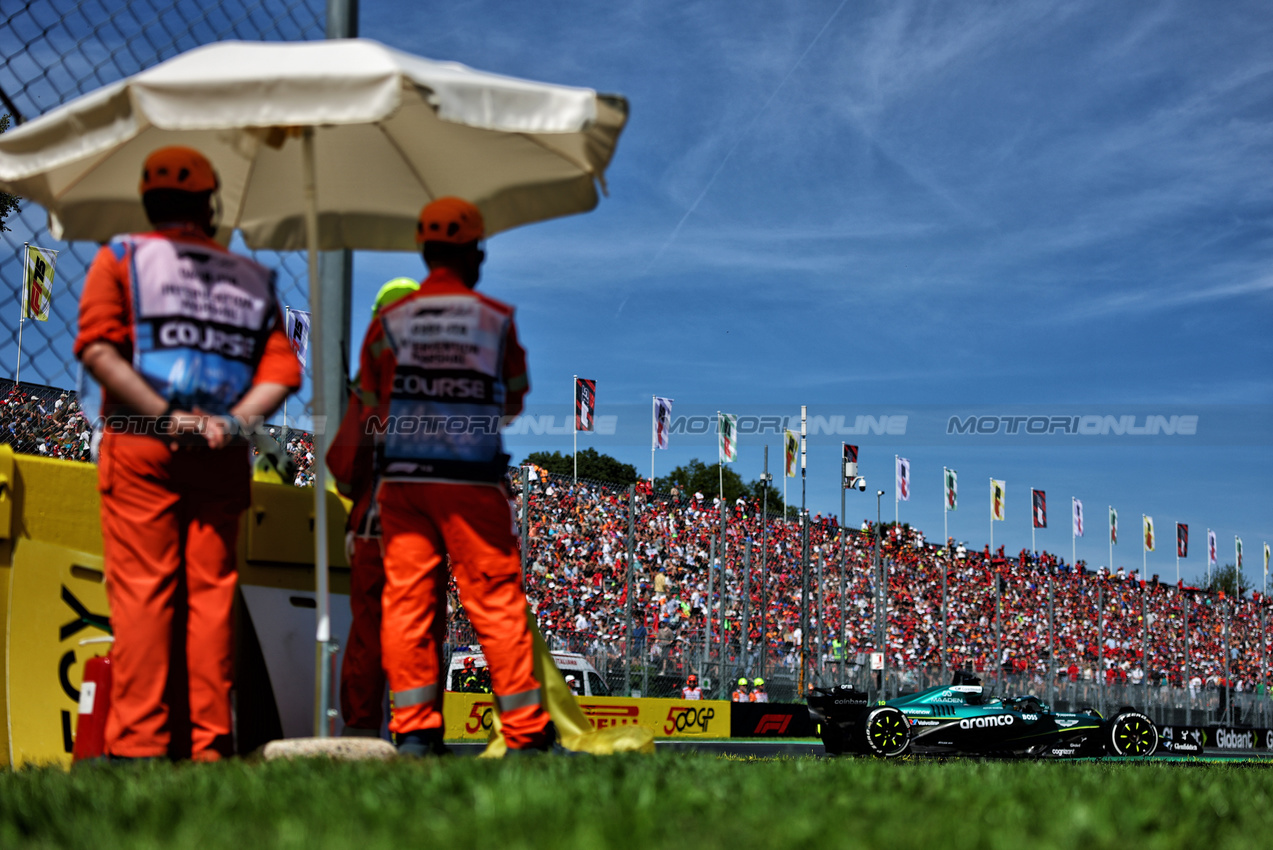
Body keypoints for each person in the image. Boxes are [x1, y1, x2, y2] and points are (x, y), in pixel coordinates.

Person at [74, 146, 300, 761]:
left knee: (144, 593)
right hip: (221, 451)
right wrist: (234, 422)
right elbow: (283, 370)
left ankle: (140, 745)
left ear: (148, 202)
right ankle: (211, 744)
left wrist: (164, 413)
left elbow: (98, 350)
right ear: (211, 205)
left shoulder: (121, 258)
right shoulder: (253, 278)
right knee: (211, 595)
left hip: (142, 440)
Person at [328, 197, 553, 757]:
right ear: (475, 253)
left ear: (425, 252)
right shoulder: (495, 318)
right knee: (495, 599)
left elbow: (373, 400)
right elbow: (515, 397)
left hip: (403, 481)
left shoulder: (389, 322)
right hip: (473, 479)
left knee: (407, 603)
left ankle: (415, 733)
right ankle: (526, 735)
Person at [332, 278, 420, 737]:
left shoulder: (369, 374)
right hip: (428, 521)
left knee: (369, 630)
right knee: (419, 629)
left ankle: (362, 730)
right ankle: (418, 733)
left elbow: (344, 465)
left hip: (376, 519)